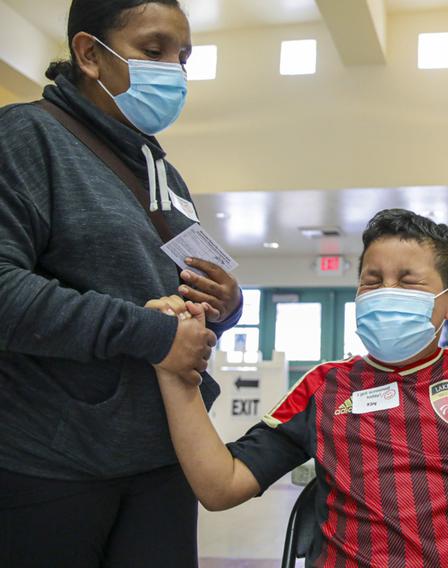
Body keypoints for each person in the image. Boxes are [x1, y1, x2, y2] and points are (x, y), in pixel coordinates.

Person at [150, 209, 448, 567]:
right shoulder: (324, 387)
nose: (386, 293)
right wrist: (176, 374)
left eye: (408, 282)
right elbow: (222, 485)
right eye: (372, 281)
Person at [0, 1, 242, 566]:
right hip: (53, 464)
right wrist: (149, 334)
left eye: (183, 58)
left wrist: (226, 303)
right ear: (89, 54)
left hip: (165, 454)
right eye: (153, 51)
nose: (174, 72)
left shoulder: (162, 170)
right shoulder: (27, 136)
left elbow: (190, 279)